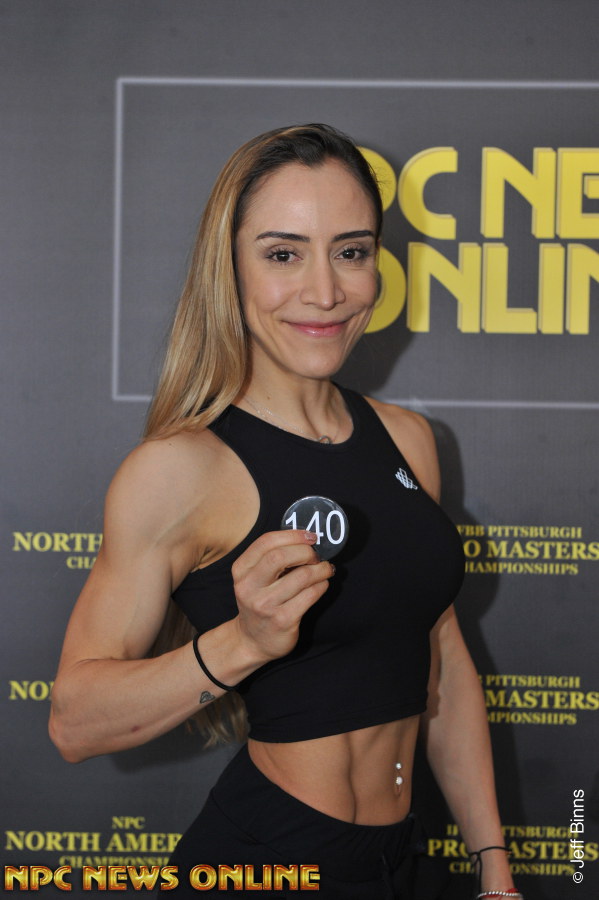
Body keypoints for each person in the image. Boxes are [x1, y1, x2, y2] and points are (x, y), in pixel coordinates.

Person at [49, 124, 520, 899]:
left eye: (350, 251)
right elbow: (74, 723)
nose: (325, 291)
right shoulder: (179, 470)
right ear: (228, 269)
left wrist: (492, 865)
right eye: (282, 254)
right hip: (271, 858)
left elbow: (442, 655)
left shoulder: (409, 439)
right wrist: (243, 642)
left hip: (398, 860)